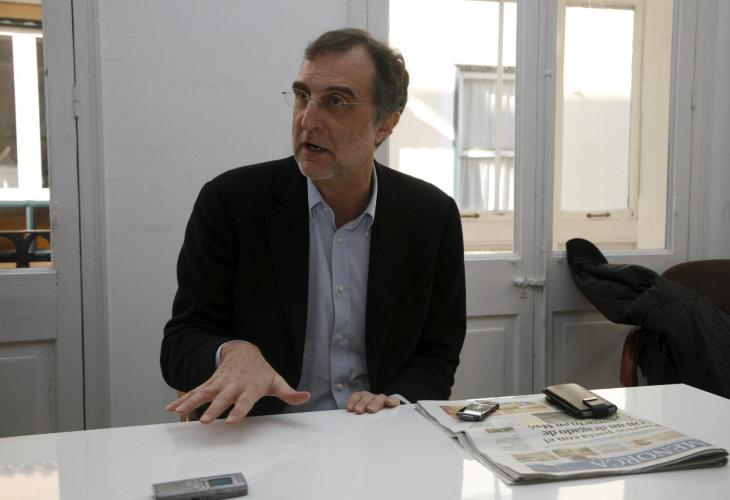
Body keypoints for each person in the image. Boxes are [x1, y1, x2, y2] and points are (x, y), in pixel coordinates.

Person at [161, 28, 466, 424]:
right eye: (303, 95)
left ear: (385, 125)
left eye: (336, 101)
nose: (308, 120)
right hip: (263, 434)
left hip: (378, 433)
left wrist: (394, 402)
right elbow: (180, 343)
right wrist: (232, 352)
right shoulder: (231, 202)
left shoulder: (431, 215)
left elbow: (437, 351)